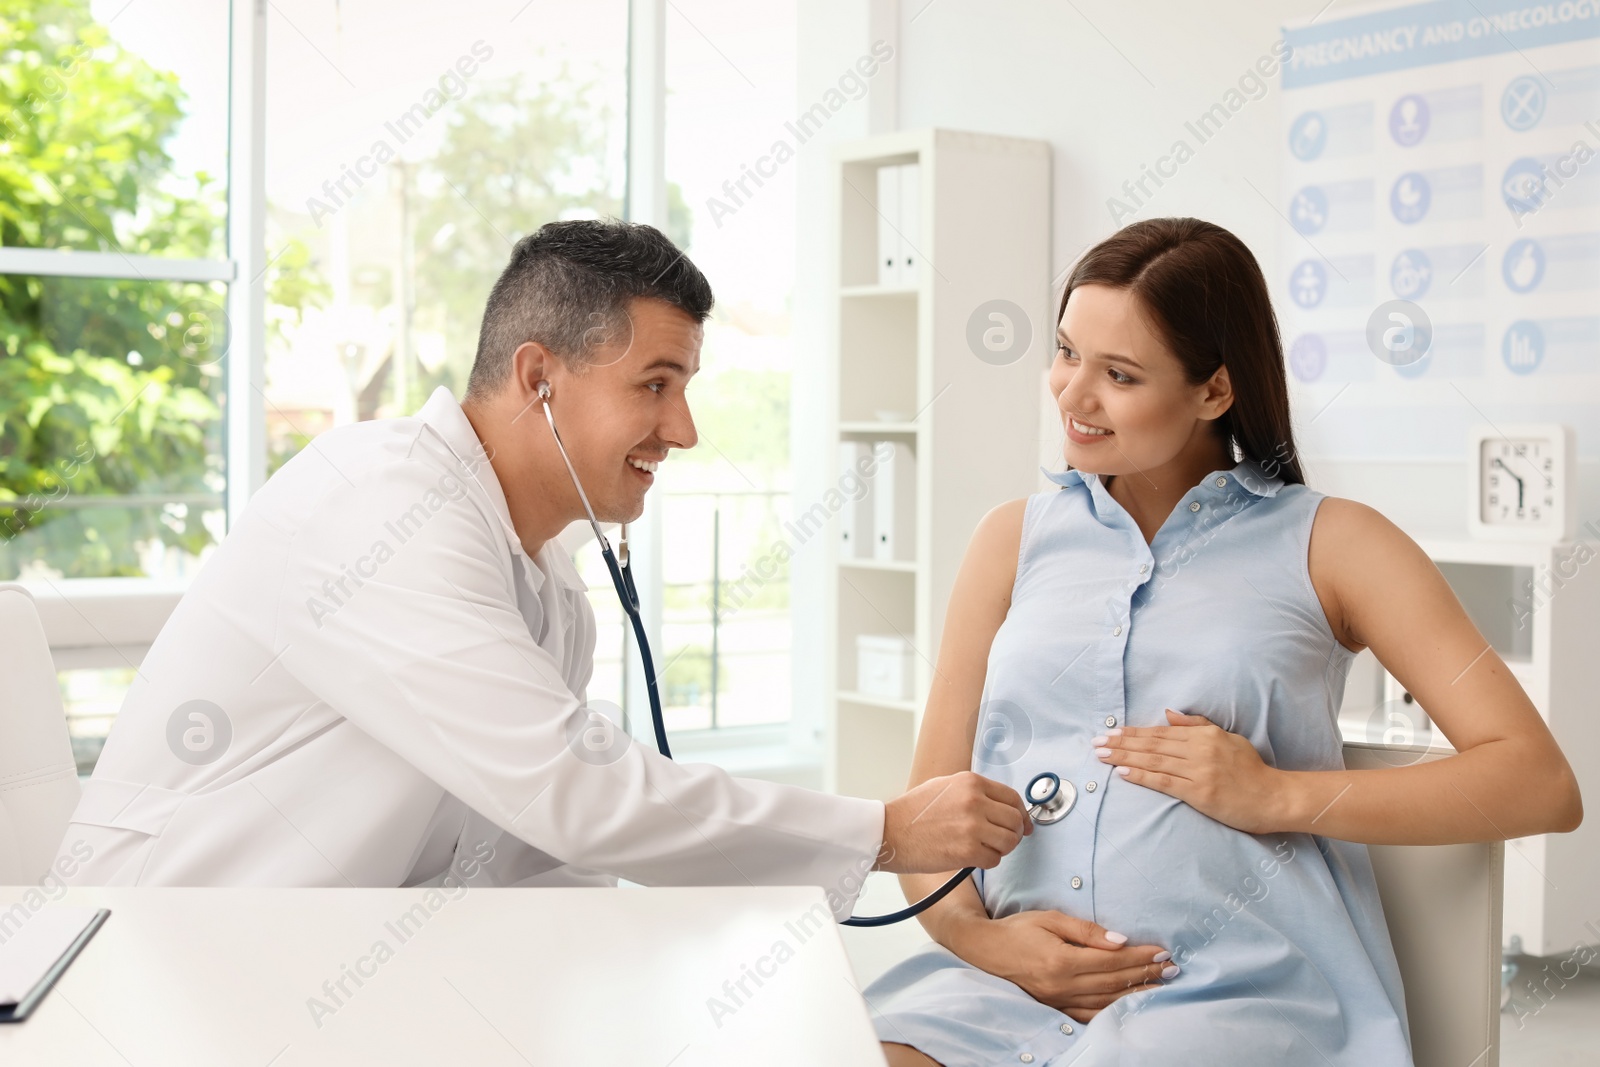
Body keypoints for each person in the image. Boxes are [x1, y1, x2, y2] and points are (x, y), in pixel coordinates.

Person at [54, 220, 1034, 916]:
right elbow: (574, 791)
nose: (682, 430)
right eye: (655, 384)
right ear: (539, 378)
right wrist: (883, 830)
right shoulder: (386, 509)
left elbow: (533, 851)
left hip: (309, 952)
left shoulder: (549, 582)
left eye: (685, 388)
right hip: (154, 946)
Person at [867, 218, 1583, 1066]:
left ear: (1214, 390)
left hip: (1230, 994)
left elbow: (1538, 780)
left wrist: (1276, 795)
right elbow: (929, 809)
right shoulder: (1009, 539)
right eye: (1066, 352)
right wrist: (980, 940)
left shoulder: (1338, 544)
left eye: (1119, 375)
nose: (1071, 394)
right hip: (1003, 985)